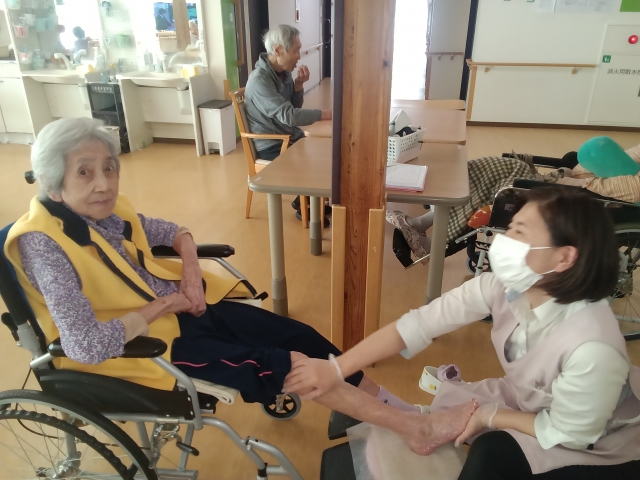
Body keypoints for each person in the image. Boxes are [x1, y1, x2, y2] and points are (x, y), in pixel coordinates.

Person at [4, 117, 474, 432]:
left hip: (184, 313)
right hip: (145, 349)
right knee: (289, 363)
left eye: (109, 167)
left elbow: (175, 232)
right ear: (53, 182)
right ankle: (413, 428)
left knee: (302, 336)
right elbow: (86, 346)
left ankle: (396, 409)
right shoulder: (44, 245)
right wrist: (165, 303)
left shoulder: (106, 212)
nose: (104, 183)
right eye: (85, 173)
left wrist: (191, 273)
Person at [285, 187, 640, 479]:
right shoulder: (503, 287)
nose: (505, 240)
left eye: (520, 232)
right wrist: (336, 368)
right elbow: (416, 326)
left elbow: (570, 433)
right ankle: (419, 423)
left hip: (598, 443)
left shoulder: (592, 346)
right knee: (451, 407)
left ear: (563, 258)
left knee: (491, 451)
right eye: (510, 228)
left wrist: (491, 416)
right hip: (534, 400)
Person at [387, 138, 640, 262]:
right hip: (564, 185)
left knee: (501, 183)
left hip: (568, 199)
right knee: (490, 167)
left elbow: (616, 187)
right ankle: (423, 222)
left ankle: (433, 244)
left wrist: (570, 177)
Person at [244, 24, 332, 221]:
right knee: (317, 159)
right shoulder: (260, 81)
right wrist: (326, 114)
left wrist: (298, 85)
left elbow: (292, 106)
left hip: (288, 136)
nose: (299, 56)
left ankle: (307, 200)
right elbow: (290, 116)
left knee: (324, 153)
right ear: (278, 50)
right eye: (296, 51)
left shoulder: (283, 72)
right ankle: (306, 205)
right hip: (272, 144)